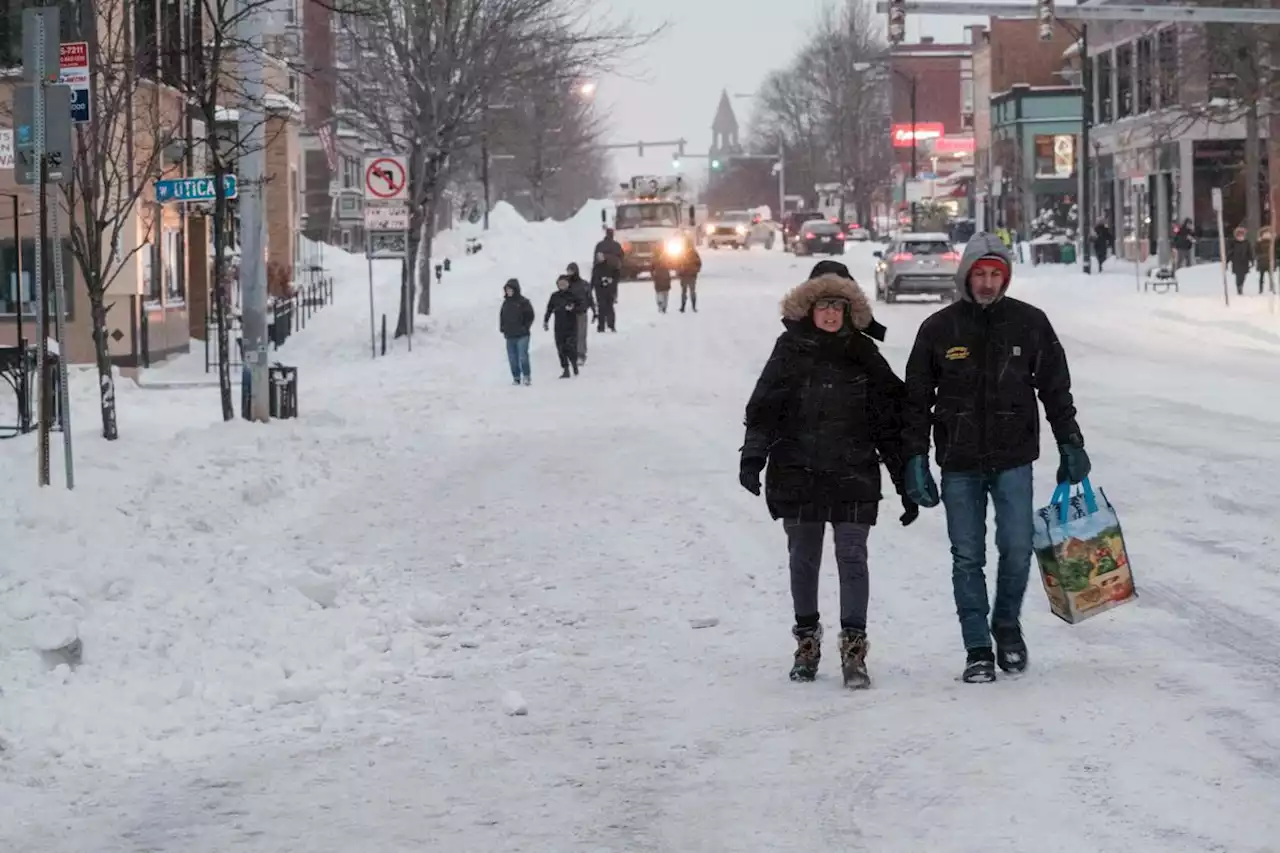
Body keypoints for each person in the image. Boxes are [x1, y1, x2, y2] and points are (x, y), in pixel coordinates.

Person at [902, 233, 1088, 684]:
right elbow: (916, 400)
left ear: (1005, 277)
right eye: (980, 274)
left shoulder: (1030, 324)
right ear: (966, 275)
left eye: (995, 275)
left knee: (1018, 549)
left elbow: (1055, 389)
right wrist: (914, 458)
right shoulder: (938, 329)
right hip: (959, 461)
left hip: (1013, 458)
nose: (987, 283)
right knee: (967, 556)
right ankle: (978, 648)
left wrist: (1070, 442)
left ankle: (1006, 625)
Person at [740, 261, 916, 689]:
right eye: (823, 305)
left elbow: (890, 425)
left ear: (850, 309)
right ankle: (807, 642)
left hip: (853, 471)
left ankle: (854, 647)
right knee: (804, 558)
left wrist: (904, 481)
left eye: (839, 305)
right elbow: (763, 410)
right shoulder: (789, 350)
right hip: (797, 470)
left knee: (852, 556)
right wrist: (752, 457)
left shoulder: (865, 355)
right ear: (809, 308)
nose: (831, 314)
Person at [544, 275, 582, 378]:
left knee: (570, 347)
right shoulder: (554, 296)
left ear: (568, 284)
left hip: (571, 326)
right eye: (560, 284)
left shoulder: (573, 295)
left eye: (564, 283)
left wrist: (573, 308)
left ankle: (574, 363)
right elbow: (549, 309)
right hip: (559, 326)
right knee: (560, 348)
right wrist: (546, 321)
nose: (562, 285)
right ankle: (565, 369)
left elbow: (581, 307)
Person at [499, 278, 535, 386]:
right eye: (507, 290)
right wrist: (503, 327)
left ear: (516, 289)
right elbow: (502, 316)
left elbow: (530, 316)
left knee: (522, 356)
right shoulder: (506, 303)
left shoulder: (524, 302)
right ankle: (516, 377)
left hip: (522, 335)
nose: (508, 292)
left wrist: (525, 327)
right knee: (512, 358)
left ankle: (527, 376)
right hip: (510, 335)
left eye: (510, 289)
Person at [591, 227, 624, 332]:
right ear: (612, 234)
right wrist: (616, 280)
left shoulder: (599, 245)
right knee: (610, 304)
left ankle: (601, 326)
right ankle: (611, 325)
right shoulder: (617, 246)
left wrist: (591, 284)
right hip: (611, 279)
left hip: (599, 280)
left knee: (601, 304)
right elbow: (621, 261)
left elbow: (595, 265)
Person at [565, 262, 595, 364]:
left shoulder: (584, 284)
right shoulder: (566, 285)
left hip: (581, 312)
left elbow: (590, 298)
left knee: (581, 334)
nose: (569, 273)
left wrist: (595, 312)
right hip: (569, 314)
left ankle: (581, 354)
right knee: (571, 335)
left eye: (571, 271)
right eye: (568, 271)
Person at [1228, 226, 1253, 296]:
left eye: (1242, 235)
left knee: (1244, 275)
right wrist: (1227, 261)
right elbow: (1230, 253)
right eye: (1239, 235)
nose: (1240, 237)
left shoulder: (1247, 242)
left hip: (1245, 261)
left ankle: (1241, 285)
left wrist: (1252, 260)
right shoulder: (1233, 243)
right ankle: (1239, 287)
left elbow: (1249, 252)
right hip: (1236, 261)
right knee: (1238, 275)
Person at [679, 243, 702, 313]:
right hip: (688, 275)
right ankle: (690, 307)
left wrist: (696, 270)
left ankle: (684, 307)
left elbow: (699, 263)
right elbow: (699, 263)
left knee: (686, 292)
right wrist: (696, 270)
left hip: (688, 275)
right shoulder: (693, 253)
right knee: (689, 291)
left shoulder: (683, 254)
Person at [1257, 228, 1276, 294]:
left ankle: (1272, 288)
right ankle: (1260, 289)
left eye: (1268, 233)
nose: (1267, 235)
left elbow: (1275, 252)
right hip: (1262, 262)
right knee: (1261, 277)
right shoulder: (1259, 242)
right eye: (1265, 233)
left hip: (1269, 262)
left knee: (1271, 277)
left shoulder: (1272, 242)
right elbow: (1256, 251)